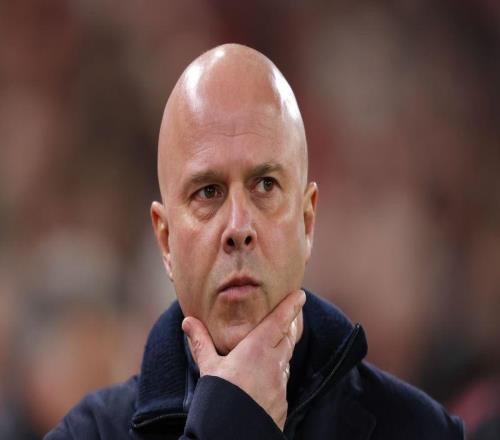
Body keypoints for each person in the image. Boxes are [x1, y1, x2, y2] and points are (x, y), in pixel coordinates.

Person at [45, 43, 464, 439]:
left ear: (307, 222)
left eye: (265, 184)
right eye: (208, 191)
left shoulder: (422, 430)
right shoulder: (89, 433)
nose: (238, 227)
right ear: (166, 241)